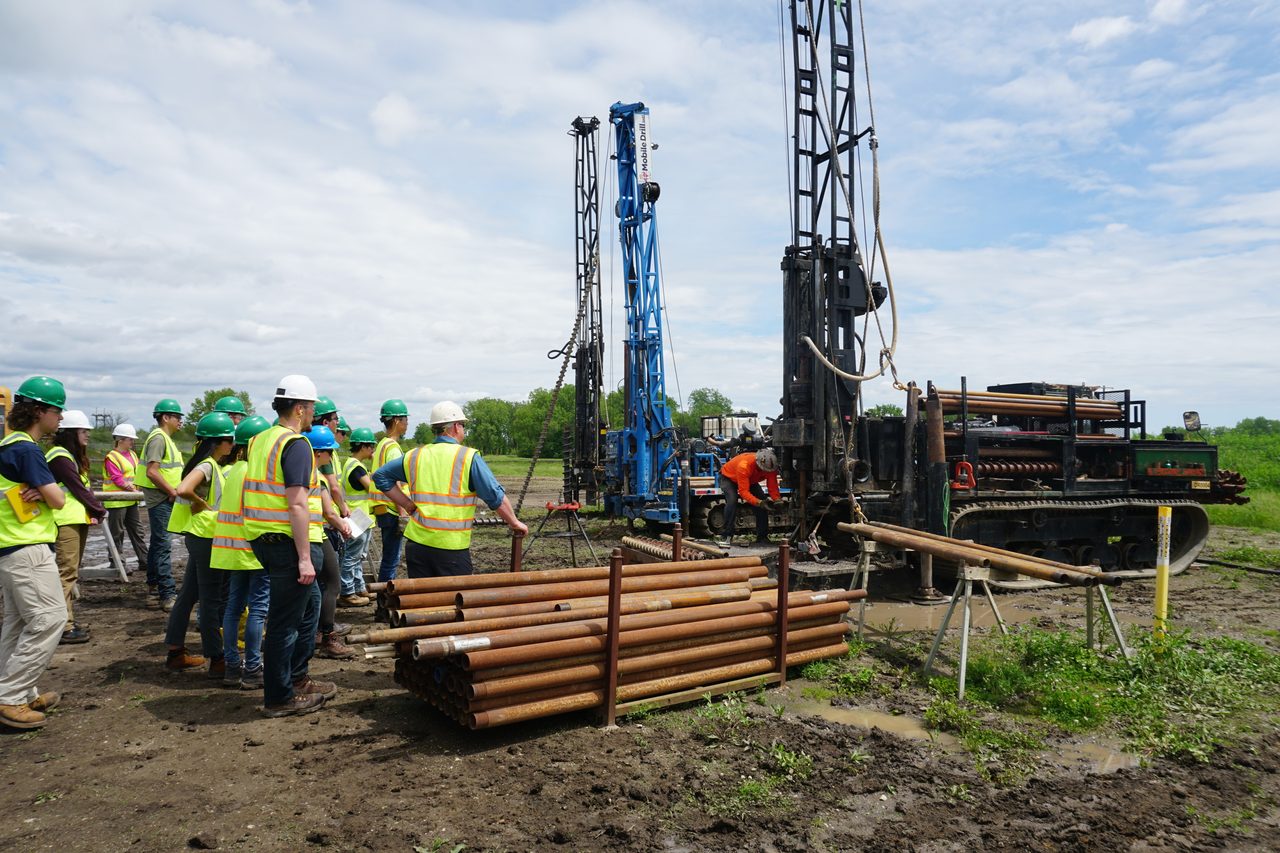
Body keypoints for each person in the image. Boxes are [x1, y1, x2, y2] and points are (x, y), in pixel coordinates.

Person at [241, 375, 336, 717]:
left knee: (308, 607)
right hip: (285, 543)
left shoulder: (260, 440)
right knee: (285, 622)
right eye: (311, 408)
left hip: (263, 538)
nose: (313, 414)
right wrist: (305, 558)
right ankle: (279, 697)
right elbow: (296, 503)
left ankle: (297, 678)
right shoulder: (295, 444)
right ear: (299, 408)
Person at [376, 401, 527, 578]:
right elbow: (495, 497)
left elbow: (380, 476)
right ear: (455, 427)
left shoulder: (414, 455)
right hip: (451, 548)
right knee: (455, 601)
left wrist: (407, 504)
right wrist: (514, 523)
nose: (464, 429)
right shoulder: (468, 457)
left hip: (417, 545)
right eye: (463, 425)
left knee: (422, 603)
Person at [0, 376, 69, 730]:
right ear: (39, 411)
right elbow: (57, 499)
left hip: (11, 547)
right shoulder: (27, 449)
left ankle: (21, 692)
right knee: (50, 618)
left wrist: (40, 491)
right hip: (27, 546)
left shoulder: (7, 445)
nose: (60, 418)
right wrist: (47, 492)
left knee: (17, 623)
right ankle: (10, 697)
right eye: (57, 410)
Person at [162, 412, 237, 674]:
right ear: (220, 442)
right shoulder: (207, 465)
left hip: (200, 536)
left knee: (189, 595)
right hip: (206, 537)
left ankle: (175, 652)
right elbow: (183, 489)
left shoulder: (209, 464)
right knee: (210, 600)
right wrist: (199, 501)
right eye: (230, 439)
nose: (232, 445)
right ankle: (217, 659)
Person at [211, 415, 271, 689]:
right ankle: (253, 668)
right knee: (258, 608)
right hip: (254, 549)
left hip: (231, 550)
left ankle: (232, 667)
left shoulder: (234, 469)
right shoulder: (255, 472)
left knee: (234, 607)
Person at [45, 409, 108, 644]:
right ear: (71, 433)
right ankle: (62, 626)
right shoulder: (60, 456)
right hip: (65, 521)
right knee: (66, 573)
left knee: (70, 573)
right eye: (84, 431)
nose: (88, 435)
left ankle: (66, 621)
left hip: (74, 520)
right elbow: (78, 489)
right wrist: (99, 510)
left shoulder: (68, 456)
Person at [303, 426, 355, 659]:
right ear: (319, 452)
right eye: (329, 451)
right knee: (333, 584)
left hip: (303, 535)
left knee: (314, 590)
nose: (331, 455)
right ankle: (328, 637)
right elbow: (328, 512)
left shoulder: (297, 471)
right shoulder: (316, 476)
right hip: (315, 535)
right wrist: (343, 525)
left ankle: (315, 633)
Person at [139, 398, 185, 610]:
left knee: (158, 543)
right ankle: (166, 594)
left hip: (162, 498)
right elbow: (152, 471)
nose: (180, 422)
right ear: (165, 418)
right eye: (177, 417)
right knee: (164, 545)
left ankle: (153, 587)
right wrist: (171, 491)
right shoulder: (159, 438)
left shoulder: (164, 439)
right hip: (161, 499)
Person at [369, 398, 409, 583]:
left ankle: (383, 598)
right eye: (405, 419)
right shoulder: (392, 448)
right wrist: (402, 511)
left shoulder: (381, 445)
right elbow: (396, 482)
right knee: (391, 559)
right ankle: (385, 599)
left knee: (389, 556)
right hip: (392, 509)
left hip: (382, 508)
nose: (407, 423)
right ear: (395, 421)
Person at [337, 428, 376, 606]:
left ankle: (359, 588)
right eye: (371, 447)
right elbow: (372, 488)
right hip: (357, 517)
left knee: (358, 556)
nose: (373, 451)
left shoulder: (352, 464)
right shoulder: (357, 468)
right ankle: (347, 592)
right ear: (364, 447)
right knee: (352, 557)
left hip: (359, 516)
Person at [103, 423, 148, 575]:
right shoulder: (112, 457)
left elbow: (138, 473)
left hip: (131, 499)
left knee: (137, 531)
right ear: (120, 439)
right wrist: (133, 489)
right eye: (130, 439)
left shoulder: (133, 454)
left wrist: (138, 487)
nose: (132, 442)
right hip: (117, 500)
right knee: (117, 533)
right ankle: (117, 563)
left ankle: (145, 561)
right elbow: (117, 478)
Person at [716, 448, 782, 547]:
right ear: (758, 464)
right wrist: (759, 502)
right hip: (728, 477)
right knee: (732, 501)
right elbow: (743, 492)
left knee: (763, 501)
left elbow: (772, 485)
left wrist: (777, 500)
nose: (764, 472)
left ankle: (762, 536)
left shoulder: (770, 466)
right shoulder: (744, 466)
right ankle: (726, 535)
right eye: (762, 470)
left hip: (750, 479)